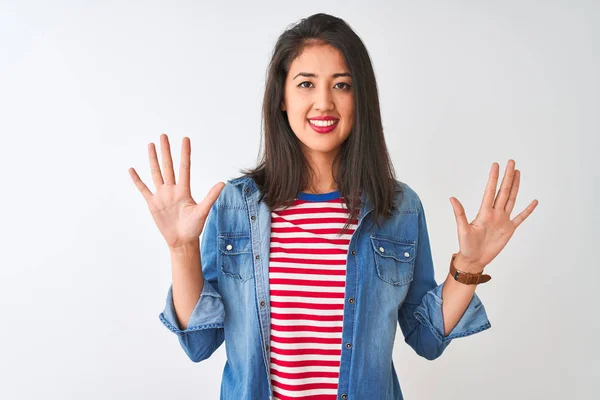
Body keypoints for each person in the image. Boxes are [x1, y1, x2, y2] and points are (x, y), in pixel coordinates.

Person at [129, 13, 538, 400]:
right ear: (282, 98)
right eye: (306, 84)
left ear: (361, 99)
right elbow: (200, 343)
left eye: (342, 85)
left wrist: (468, 266)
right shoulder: (236, 206)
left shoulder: (399, 209)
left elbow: (427, 338)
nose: (324, 102)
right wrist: (181, 249)